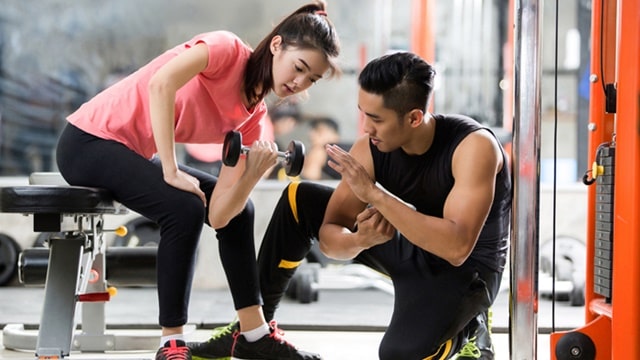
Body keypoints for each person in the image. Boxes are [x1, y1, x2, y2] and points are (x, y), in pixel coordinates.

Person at [55, 2, 341, 360]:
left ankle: (253, 333)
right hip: (88, 142)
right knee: (184, 207)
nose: (299, 82)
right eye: (299, 67)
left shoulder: (253, 119)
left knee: (242, 211)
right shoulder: (226, 49)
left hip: (132, 153)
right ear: (277, 45)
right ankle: (171, 341)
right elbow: (162, 84)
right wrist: (171, 170)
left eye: (311, 78)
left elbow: (221, 214)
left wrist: (252, 174)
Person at [190, 51, 511, 359]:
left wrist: (375, 196)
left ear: (414, 118)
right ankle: (255, 335)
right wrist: (359, 240)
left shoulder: (473, 147)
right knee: (299, 199)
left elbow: (456, 247)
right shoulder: (371, 147)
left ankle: (470, 328)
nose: (366, 128)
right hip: (410, 245)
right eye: (362, 114)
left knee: (401, 354)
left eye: (376, 119)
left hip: (466, 272)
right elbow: (331, 238)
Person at [300, 116, 343, 180]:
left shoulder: (318, 152)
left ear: (335, 135)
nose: (312, 136)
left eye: (319, 131)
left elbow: (310, 178)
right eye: (312, 132)